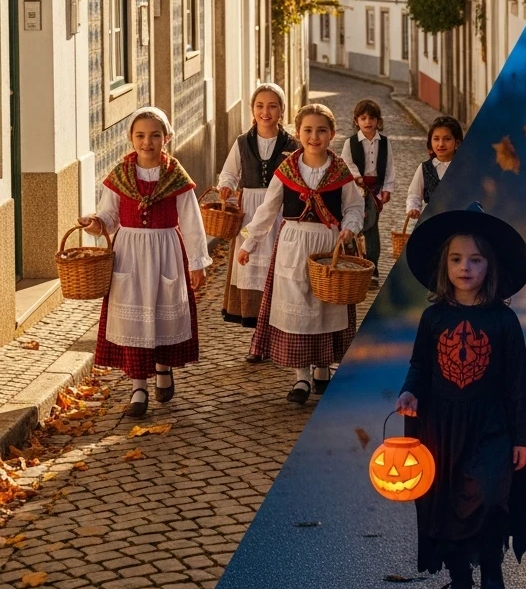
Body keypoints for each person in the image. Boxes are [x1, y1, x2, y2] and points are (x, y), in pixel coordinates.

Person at [397, 204, 526, 589]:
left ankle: (491, 567)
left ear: (489, 266)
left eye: (475, 260)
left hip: (491, 425)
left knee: (490, 497)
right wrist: (409, 392)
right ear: (445, 265)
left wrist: (522, 437)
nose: (465, 268)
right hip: (439, 425)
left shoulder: (504, 320)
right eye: (457, 259)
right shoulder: (434, 316)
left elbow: (517, 383)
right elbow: (420, 365)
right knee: (446, 503)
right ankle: (459, 582)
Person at [79, 107, 210, 418]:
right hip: (129, 253)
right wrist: (94, 224)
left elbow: (191, 222)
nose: (147, 142)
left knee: (163, 314)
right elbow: (109, 218)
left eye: (154, 136)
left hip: (166, 251)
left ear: (166, 139)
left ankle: (163, 369)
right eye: (140, 135)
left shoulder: (176, 176)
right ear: (131, 138)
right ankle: (138, 386)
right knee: (135, 319)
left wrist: (197, 262)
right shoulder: (120, 176)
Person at [238, 103, 364, 404]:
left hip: (327, 247)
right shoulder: (287, 171)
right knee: (298, 309)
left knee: (325, 306)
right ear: (298, 133)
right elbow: (268, 210)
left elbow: (354, 207)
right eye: (308, 130)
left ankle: (323, 368)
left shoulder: (340, 171)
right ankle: (301, 378)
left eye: (321, 130)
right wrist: (248, 243)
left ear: (332, 134)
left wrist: (349, 228)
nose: (314, 136)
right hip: (293, 244)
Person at [217, 83, 298, 344]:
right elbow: (229, 172)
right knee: (250, 267)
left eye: (272, 106)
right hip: (250, 211)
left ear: (282, 110)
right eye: (260, 106)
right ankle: (257, 338)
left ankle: (274, 334)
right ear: (252, 109)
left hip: (282, 212)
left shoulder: (292, 145)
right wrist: (226, 186)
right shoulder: (242, 143)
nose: (266, 111)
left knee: (279, 270)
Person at [341, 98, 395, 286]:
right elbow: (346, 163)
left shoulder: (385, 143)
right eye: (363, 118)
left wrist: (387, 188)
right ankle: (354, 263)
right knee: (355, 225)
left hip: (375, 191)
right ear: (356, 121)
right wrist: (356, 177)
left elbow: (389, 166)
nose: (368, 122)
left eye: (372, 118)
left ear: (378, 121)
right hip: (356, 189)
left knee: (371, 227)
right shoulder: (351, 143)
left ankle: (372, 268)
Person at [405, 115, 463, 220]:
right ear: (431, 142)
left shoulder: (463, 169)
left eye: (447, 139)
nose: (441, 144)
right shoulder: (424, 168)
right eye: (436, 139)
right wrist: (413, 208)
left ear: (457, 143)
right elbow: (414, 195)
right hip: (430, 222)